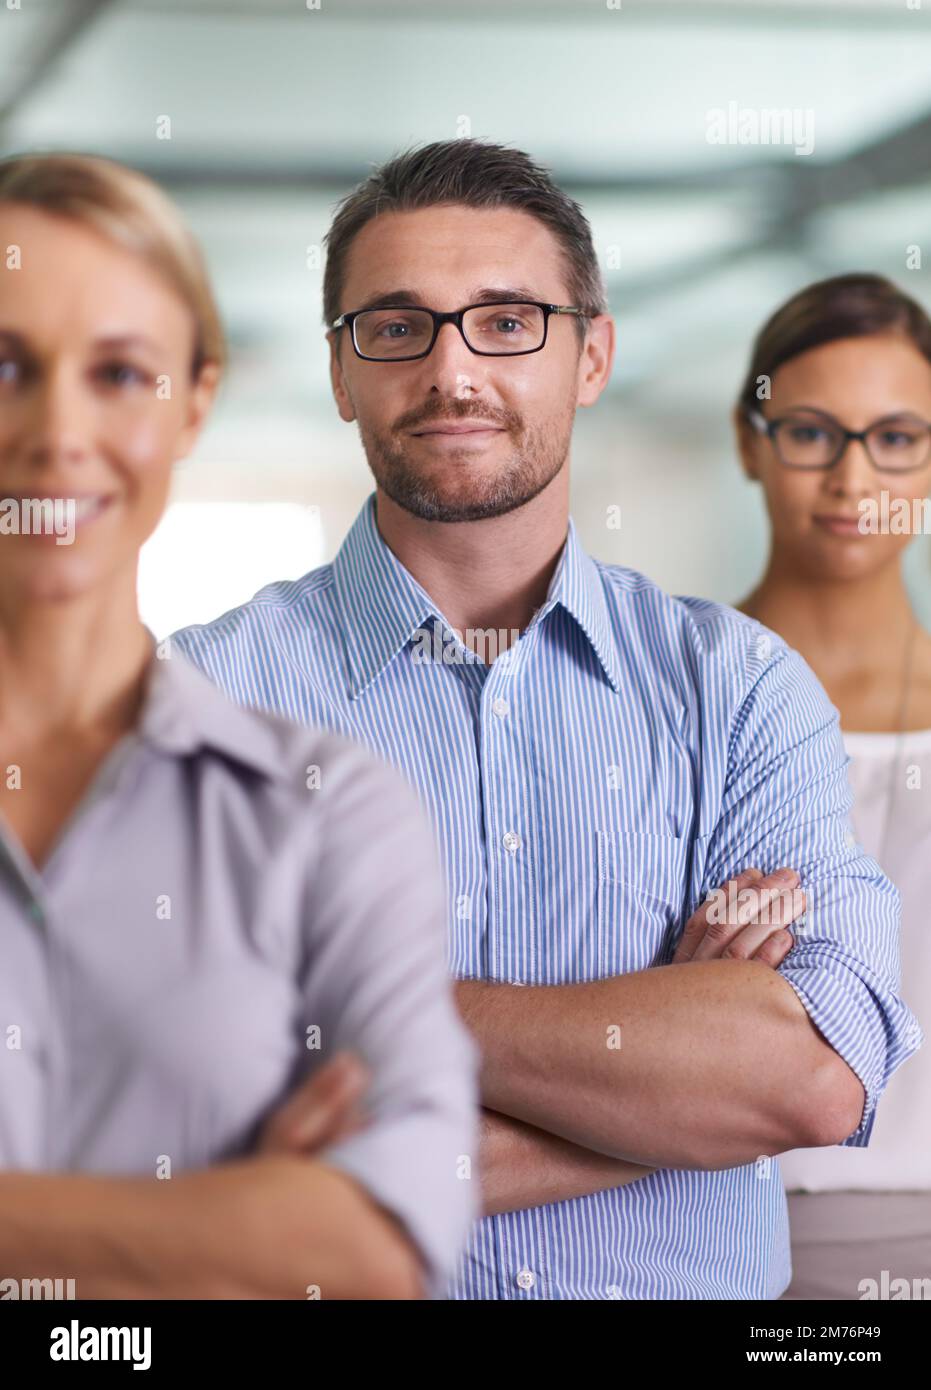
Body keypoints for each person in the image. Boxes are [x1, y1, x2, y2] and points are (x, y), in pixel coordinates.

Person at [174, 139, 922, 1300]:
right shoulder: (204, 699)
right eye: (396, 325)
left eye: (508, 321)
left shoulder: (741, 688)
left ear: (592, 354)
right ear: (339, 372)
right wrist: (668, 1097)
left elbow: (810, 1080)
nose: (453, 369)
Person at [0, 151, 479, 1300]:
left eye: (120, 373)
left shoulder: (330, 813)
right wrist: (220, 1228)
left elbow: (377, 1249)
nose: (58, 431)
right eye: (6, 364)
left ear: (194, 405)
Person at [732, 272, 931, 1299]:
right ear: (748, 440)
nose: (854, 481)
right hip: (706, 1231)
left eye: (895, 437)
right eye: (811, 432)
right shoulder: (663, 696)